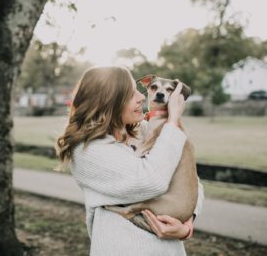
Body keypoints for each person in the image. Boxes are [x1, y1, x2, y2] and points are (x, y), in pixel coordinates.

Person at [56, 66, 204, 256]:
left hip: (169, 250)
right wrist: (173, 121)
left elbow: (191, 181)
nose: (141, 97)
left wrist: (186, 226)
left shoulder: (145, 130)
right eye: (130, 93)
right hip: (123, 248)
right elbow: (151, 181)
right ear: (108, 102)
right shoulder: (87, 150)